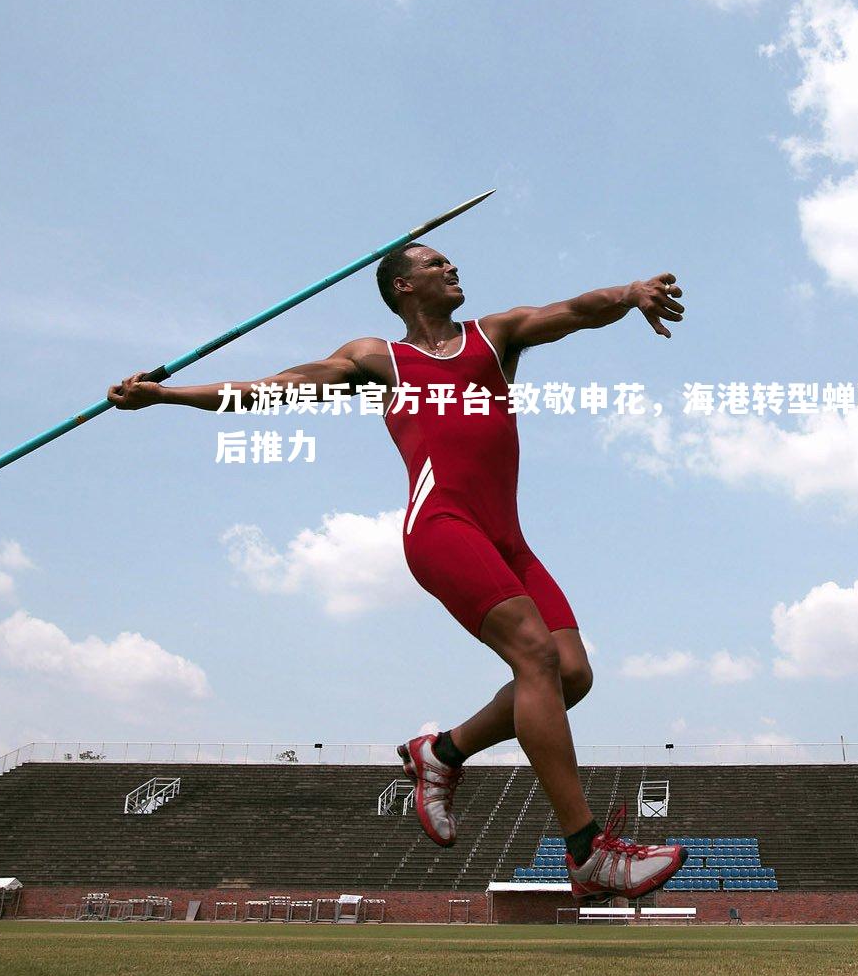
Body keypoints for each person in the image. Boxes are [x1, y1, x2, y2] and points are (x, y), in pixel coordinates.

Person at [107, 243, 688, 900]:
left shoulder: (493, 337)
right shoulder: (376, 359)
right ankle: (587, 851)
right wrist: (166, 395)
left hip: (509, 540)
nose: (453, 267)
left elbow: (575, 311)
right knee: (534, 653)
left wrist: (632, 290)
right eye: (436, 263)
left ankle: (440, 754)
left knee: (571, 673)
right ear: (403, 286)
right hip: (442, 526)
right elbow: (275, 391)